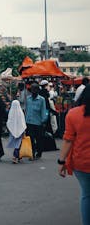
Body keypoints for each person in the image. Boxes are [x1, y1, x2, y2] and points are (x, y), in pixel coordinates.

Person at [58, 86, 90, 225]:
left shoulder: (73, 114)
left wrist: (61, 162)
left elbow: (68, 140)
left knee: (87, 196)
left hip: (81, 163)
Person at [25, 83, 47, 160]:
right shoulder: (28, 99)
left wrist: (43, 121)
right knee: (30, 139)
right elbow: (26, 110)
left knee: (38, 139)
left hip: (38, 122)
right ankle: (32, 153)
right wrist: (25, 121)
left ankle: (39, 152)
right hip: (29, 122)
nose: (33, 91)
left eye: (35, 89)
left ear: (38, 90)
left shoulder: (41, 99)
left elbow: (43, 110)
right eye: (32, 89)